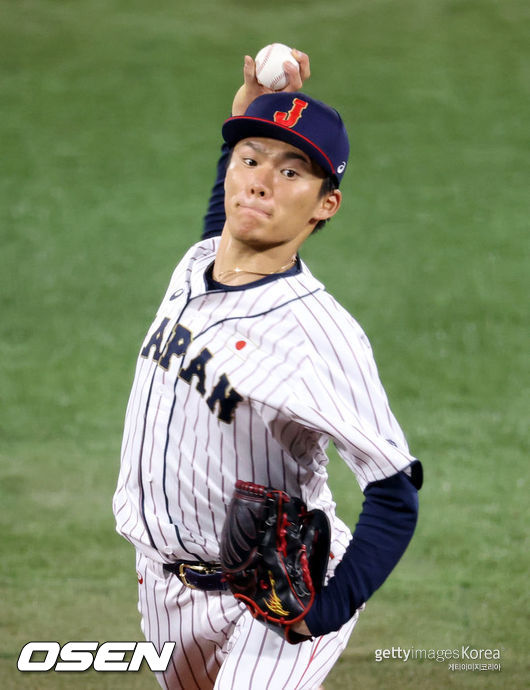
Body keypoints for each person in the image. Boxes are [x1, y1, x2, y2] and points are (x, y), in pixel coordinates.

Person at [113, 49, 422, 690]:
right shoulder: (200, 261)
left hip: (279, 594)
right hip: (165, 587)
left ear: (325, 205)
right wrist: (248, 115)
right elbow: (229, 227)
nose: (258, 182)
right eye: (249, 160)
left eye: (291, 172)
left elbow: (395, 491)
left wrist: (326, 613)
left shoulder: (318, 336)